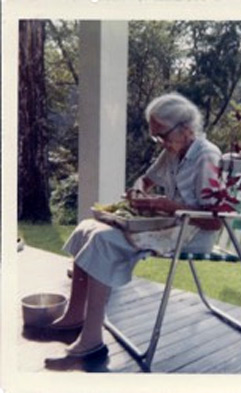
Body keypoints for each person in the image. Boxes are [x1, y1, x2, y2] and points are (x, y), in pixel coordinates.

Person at [45, 92, 222, 361]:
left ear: (186, 129)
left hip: (193, 234)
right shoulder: (173, 152)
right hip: (168, 225)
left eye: (163, 135)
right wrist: (139, 193)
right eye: (156, 137)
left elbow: (214, 219)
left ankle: (92, 339)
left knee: (103, 240)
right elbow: (145, 181)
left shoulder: (206, 156)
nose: (160, 143)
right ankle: (74, 314)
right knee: (87, 228)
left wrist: (165, 205)